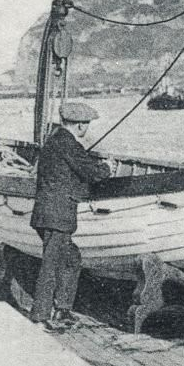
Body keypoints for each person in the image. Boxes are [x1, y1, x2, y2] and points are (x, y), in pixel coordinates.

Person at [29, 101, 111, 329]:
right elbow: (92, 173)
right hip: (58, 217)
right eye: (87, 125)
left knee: (71, 259)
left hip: (45, 214)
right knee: (51, 266)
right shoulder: (69, 144)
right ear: (81, 126)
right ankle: (39, 318)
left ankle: (62, 310)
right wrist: (108, 168)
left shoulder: (53, 140)